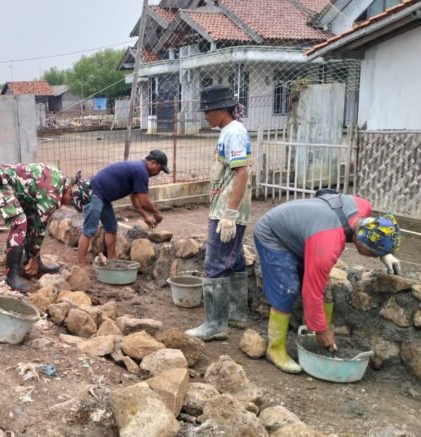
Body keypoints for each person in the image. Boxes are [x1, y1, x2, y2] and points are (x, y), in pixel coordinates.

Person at [254, 192, 401, 373]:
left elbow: (373, 231)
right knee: (288, 289)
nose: (373, 257)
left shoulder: (363, 208)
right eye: (373, 253)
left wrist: (385, 253)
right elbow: (311, 290)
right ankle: (275, 349)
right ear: (360, 242)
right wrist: (320, 330)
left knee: (325, 285)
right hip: (273, 233)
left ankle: (314, 330)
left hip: (304, 231)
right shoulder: (328, 243)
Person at [185, 84, 252, 341]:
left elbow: (242, 173)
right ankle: (235, 315)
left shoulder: (233, 133)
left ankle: (215, 324)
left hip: (227, 212)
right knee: (233, 261)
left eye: (207, 111)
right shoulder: (229, 131)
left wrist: (230, 214)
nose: (205, 117)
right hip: (225, 208)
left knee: (215, 264)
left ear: (221, 109)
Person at [0, 163, 91, 292]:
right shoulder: (52, 195)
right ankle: (11, 275)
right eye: (71, 201)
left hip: (11, 187)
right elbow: (39, 228)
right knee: (19, 222)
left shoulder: (60, 179)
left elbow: (35, 221)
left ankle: (33, 264)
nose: (69, 204)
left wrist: (34, 255)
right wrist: (34, 256)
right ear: (69, 191)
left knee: (30, 218)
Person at [76, 150, 170, 269]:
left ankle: (111, 262)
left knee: (111, 227)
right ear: (153, 163)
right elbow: (144, 202)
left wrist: (146, 216)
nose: (158, 173)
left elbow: (135, 199)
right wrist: (157, 214)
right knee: (89, 230)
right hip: (94, 193)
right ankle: (81, 268)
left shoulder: (139, 169)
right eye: (160, 169)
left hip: (103, 196)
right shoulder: (141, 171)